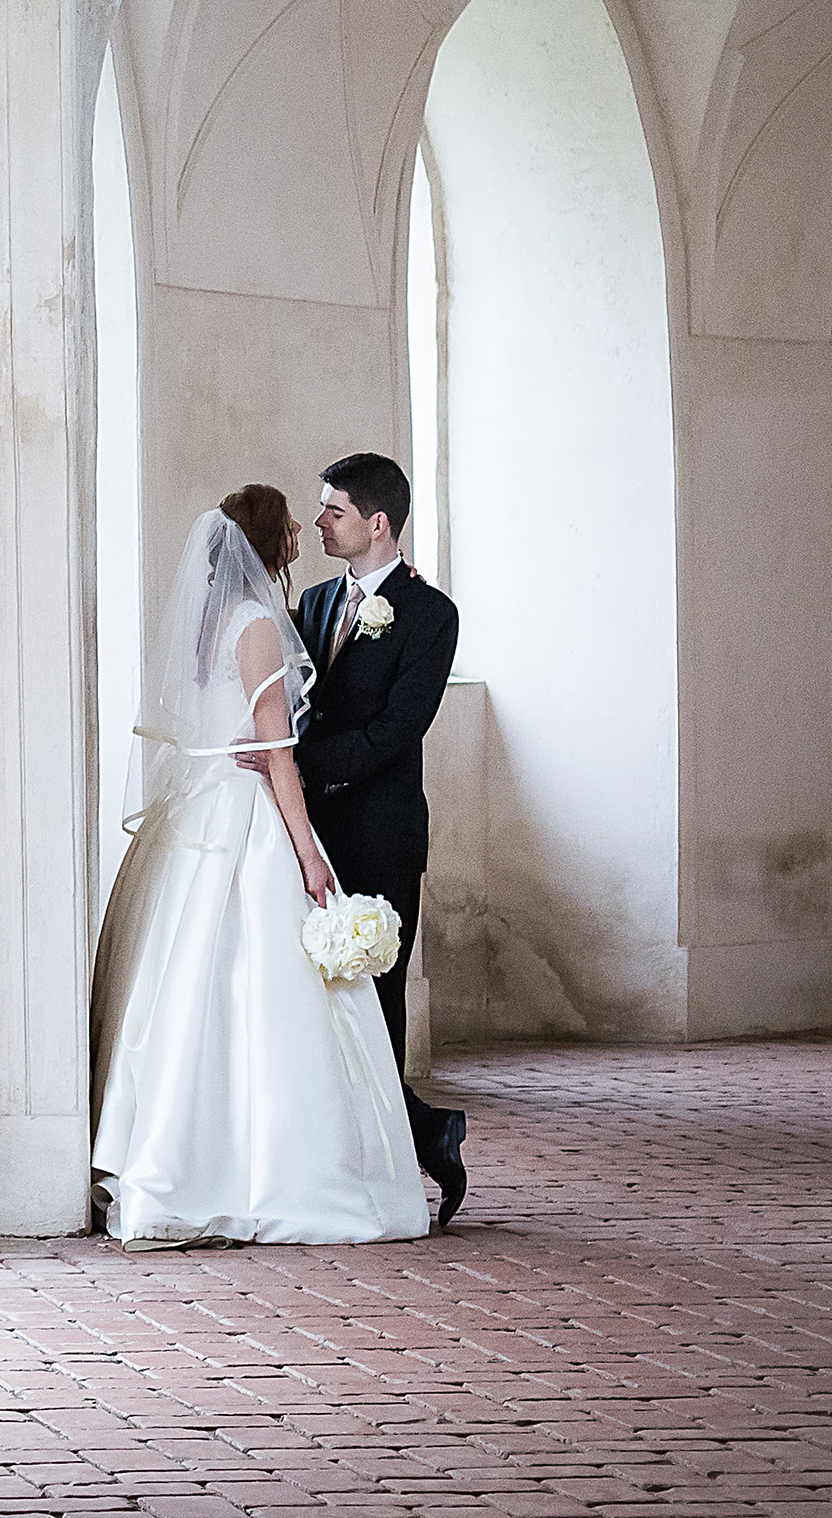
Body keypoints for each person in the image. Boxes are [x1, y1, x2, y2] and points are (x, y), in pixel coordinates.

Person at [87, 485, 432, 1248]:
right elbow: (277, 754)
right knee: (265, 995)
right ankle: (261, 1171)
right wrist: (309, 856)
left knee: (189, 991)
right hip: (244, 819)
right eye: (291, 524)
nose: (303, 532)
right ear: (265, 542)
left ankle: (171, 1152)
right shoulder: (257, 624)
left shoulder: (208, 623)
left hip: (194, 818)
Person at [292, 452, 470, 1226]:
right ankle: (406, 1137)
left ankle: (393, 1166)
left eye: (333, 511)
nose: (319, 523)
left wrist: (302, 766)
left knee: (377, 994)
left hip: (379, 829)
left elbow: (398, 729)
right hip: (308, 831)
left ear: (378, 523)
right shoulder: (313, 603)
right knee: (315, 997)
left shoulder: (430, 615)